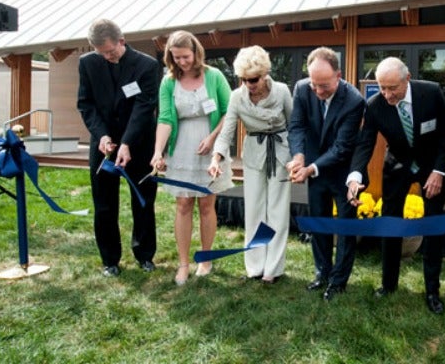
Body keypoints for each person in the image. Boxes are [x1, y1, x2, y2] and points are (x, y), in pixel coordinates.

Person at [346, 57, 445, 315]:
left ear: (407, 79)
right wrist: (355, 177)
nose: (386, 94)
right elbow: (365, 144)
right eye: (382, 88)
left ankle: (432, 292)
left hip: (433, 166)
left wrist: (440, 170)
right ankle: (388, 284)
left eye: (392, 88)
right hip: (397, 166)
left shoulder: (431, 93)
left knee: (432, 226)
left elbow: (444, 135)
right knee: (390, 223)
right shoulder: (375, 106)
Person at [77, 18, 161, 277]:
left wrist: (126, 143)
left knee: (143, 200)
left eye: (111, 52)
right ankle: (109, 259)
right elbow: (86, 103)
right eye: (101, 53)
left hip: (139, 143)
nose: (107, 57)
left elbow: (144, 107)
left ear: (122, 41)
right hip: (104, 145)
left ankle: (144, 254)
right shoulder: (87, 63)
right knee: (104, 204)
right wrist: (101, 136)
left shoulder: (147, 66)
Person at [150, 30, 232, 286]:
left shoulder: (214, 76)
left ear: (196, 52)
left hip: (212, 146)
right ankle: (184, 263)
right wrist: (157, 152)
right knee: (183, 204)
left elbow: (229, 113)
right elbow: (164, 118)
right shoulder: (168, 82)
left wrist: (212, 139)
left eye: (185, 57)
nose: (182, 62)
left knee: (207, 205)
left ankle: (205, 259)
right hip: (182, 146)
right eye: (176, 58)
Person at [208, 45, 293, 284]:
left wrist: (298, 157)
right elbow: (227, 133)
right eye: (244, 79)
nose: (249, 84)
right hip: (254, 154)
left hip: (281, 152)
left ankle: (273, 269)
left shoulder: (282, 91)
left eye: (253, 79)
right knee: (254, 210)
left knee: (277, 211)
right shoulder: (237, 96)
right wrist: (216, 158)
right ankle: (255, 266)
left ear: (264, 73)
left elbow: (295, 126)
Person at [287, 47, 365, 302]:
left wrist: (311, 168)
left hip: (343, 172)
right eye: (314, 85)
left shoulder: (354, 100)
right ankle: (322, 272)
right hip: (314, 170)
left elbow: (342, 148)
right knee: (319, 222)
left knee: (344, 228)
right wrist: (298, 156)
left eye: (324, 86)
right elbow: (296, 126)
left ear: (338, 75)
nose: (318, 92)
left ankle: (338, 281)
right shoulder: (301, 89)